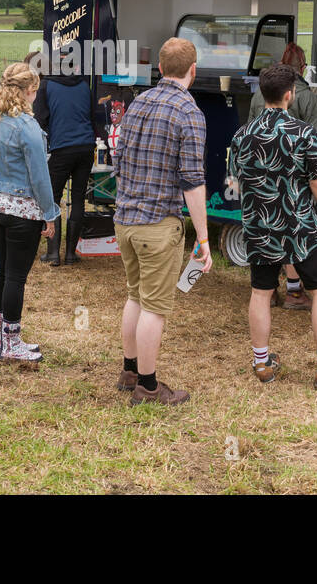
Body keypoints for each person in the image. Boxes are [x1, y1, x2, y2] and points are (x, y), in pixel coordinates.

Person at [229, 65, 317, 388]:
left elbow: (237, 179)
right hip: (300, 227)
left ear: (263, 94)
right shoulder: (304, 133)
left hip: (259, 227)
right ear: (290, 94)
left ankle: (261, 363)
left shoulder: (242, 135)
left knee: (261, 292)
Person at [112, 37, 213, 406]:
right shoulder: (190, 112)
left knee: (134, 295)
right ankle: (149, 387)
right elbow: (193, 180)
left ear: (159, 68)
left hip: (125, 219)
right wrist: (203, 237)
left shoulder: (138, 102)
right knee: (154, 307)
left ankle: (129, 369)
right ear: (193, 70)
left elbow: (119, 156)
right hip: (159, 224)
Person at [0, 63, 60, 366]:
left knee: (1, 272)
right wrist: (50, 213)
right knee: (16, 277)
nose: (36, 96)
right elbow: (39, 176)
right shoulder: (27, 126)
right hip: (23, 212)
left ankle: (1, 338)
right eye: (35, 91)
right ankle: (12, 342)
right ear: (28, 91)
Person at [247, 42, 317, 310]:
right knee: (292, 236)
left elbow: (248, 133)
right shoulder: (306, 96)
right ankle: (294, 292)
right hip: (296, 186)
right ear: (301, 69)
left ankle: (268, 292)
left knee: (270, 235)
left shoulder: (259, 95)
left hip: (261, 187)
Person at [34, 66, 104, 266]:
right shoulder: (83, 85)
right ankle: (71, 254)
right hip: (86, 147)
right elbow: (92, 116)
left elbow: (40, 120)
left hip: (62, 148)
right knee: (78, 199)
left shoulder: (46, 85)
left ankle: (53, 253)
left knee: (53, 199)